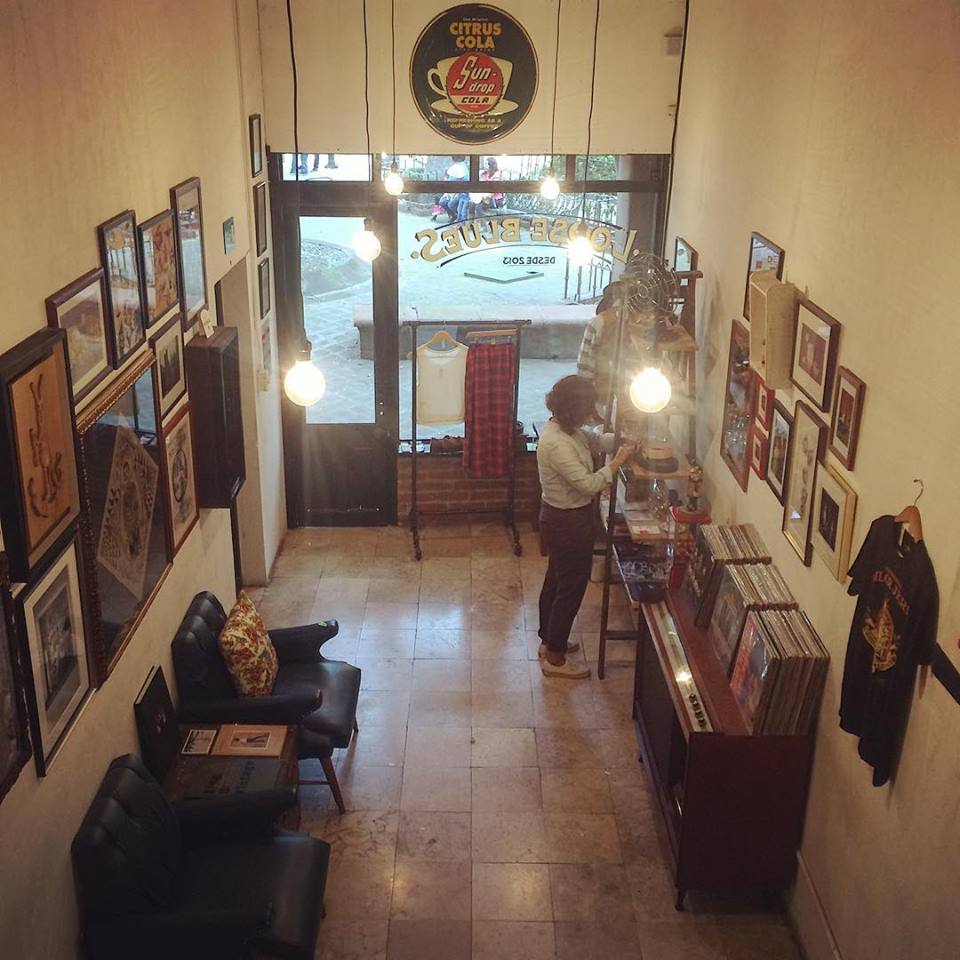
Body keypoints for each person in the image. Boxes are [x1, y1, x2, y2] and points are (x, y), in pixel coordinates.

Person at [537, 375, 635, 679]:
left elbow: (594, 440)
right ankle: (555, 658)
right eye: (584, 410)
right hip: (566, 522)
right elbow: (588, 485)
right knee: (571, 587)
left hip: (564, 519)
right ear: (572, 409)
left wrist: (618, 439)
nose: (588, 416)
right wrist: (617, 462)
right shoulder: (556, 443)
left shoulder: (568, 430)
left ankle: (549, 640)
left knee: (556, 580)